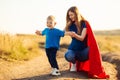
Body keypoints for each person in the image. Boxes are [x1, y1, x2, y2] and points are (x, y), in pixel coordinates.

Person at [64, 6, 109, 79]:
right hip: (73, 49)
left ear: (76, 14)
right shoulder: (70, 24)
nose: (70, 17)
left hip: (83, 52)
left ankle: (92, 68)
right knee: (68, 55)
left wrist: (75, 35)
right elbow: (63, 33)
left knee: (93, 50)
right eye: (69, 15)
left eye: (72, 15)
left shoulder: (84, 23)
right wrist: (67, 31)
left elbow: (82, 38)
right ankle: (74, 64)